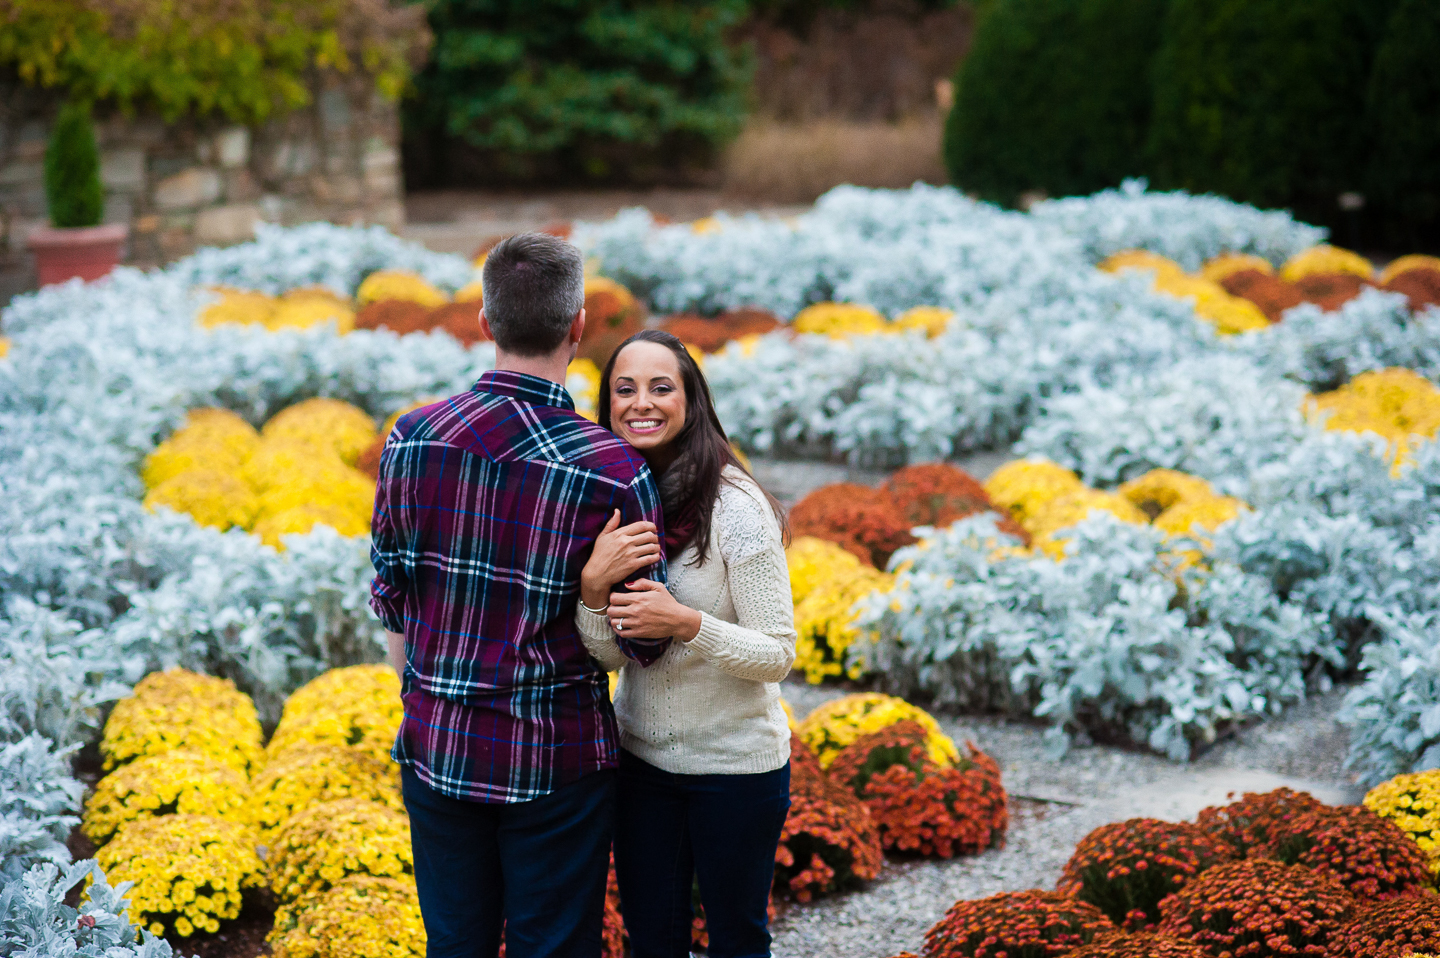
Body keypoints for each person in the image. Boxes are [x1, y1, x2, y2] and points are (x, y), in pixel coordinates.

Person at [369, 233, 671, 958]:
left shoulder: (412, 439)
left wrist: (428, 698)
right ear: (577, 327)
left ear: (485, 322)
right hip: (555, 758)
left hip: (440, 747)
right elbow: (646, 641)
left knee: (456, 945)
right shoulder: (612, 469)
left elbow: (391, 599)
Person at [575, 329, 796, 958]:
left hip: (735, 770)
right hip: (642, 765)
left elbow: (777, 651)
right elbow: (611, 655)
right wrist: (593, 589)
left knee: (736, 938)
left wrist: (686, 623)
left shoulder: (736, 505)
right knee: (654, 939)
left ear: (690, 400)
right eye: (625, 389)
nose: (641, 403)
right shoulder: (611, 501)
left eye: (660, 387)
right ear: (607, 403)